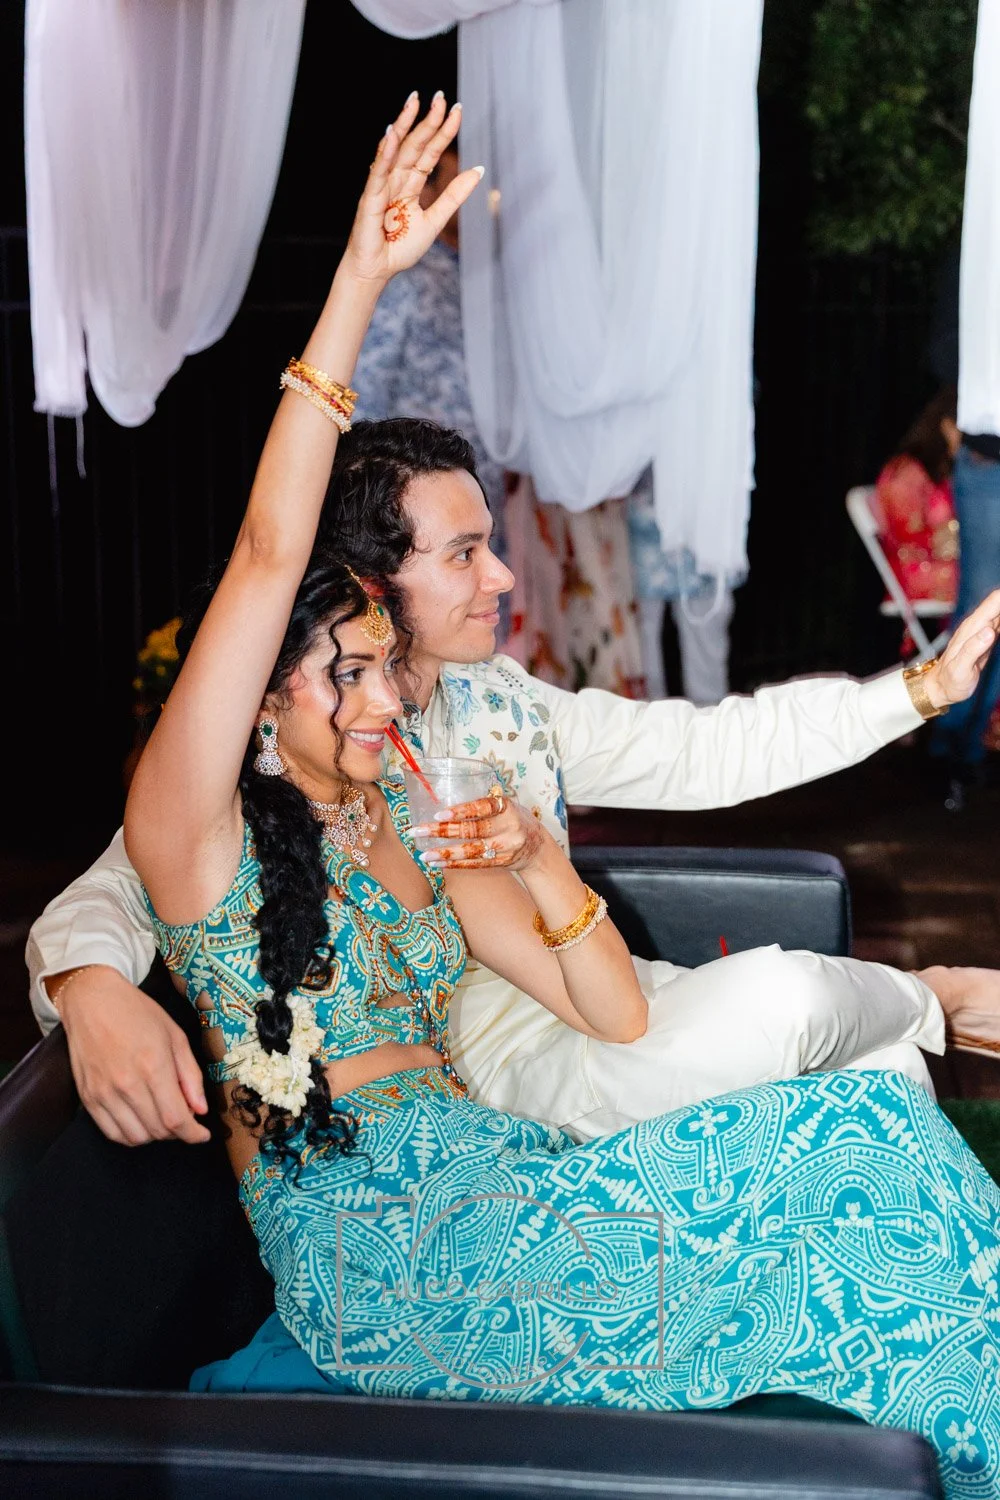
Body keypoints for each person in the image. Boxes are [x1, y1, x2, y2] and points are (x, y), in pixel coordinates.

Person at [115, 101, 1000, 1489]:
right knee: (838, 1175)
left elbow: (615, 1008)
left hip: (496, 1166)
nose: (372, 703)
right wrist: (361, 279)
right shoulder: (193, 838)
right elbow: (263, 552)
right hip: (382, 1257)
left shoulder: (406, 812)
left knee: (873, 1128)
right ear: (253, 698)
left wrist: (538, 864)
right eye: (336, 677)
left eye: (377, 671)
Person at [27, 447, 1000, 1147]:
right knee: (802, 1014)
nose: (501, 575)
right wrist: (93, 990)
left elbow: (704, 750)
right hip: (484, 1074)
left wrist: (920, 692)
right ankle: (938, 997)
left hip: (595, 990)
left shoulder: (497, 700)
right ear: (373, 581)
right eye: (463, 553)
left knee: (883, 1076)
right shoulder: (281, 759)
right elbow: (108, 895)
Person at [926, 246, 1000, 806]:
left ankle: (973, 750)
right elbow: (943, 347)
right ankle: (948, 748)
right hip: (988, 464)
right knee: (982, 606)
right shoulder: (978, 245)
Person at [627, 466, 737, 703]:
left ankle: (709, 718)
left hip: (700, 508)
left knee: (704, 615)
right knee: (638, 625)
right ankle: (648, 717)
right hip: (640, 503)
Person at [875, 385, 960, 619]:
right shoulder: (906, 471)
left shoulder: (948, 470)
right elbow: (902, 538)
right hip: (917, 571)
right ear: (947, 426)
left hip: (948, 564)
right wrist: (948, 537)